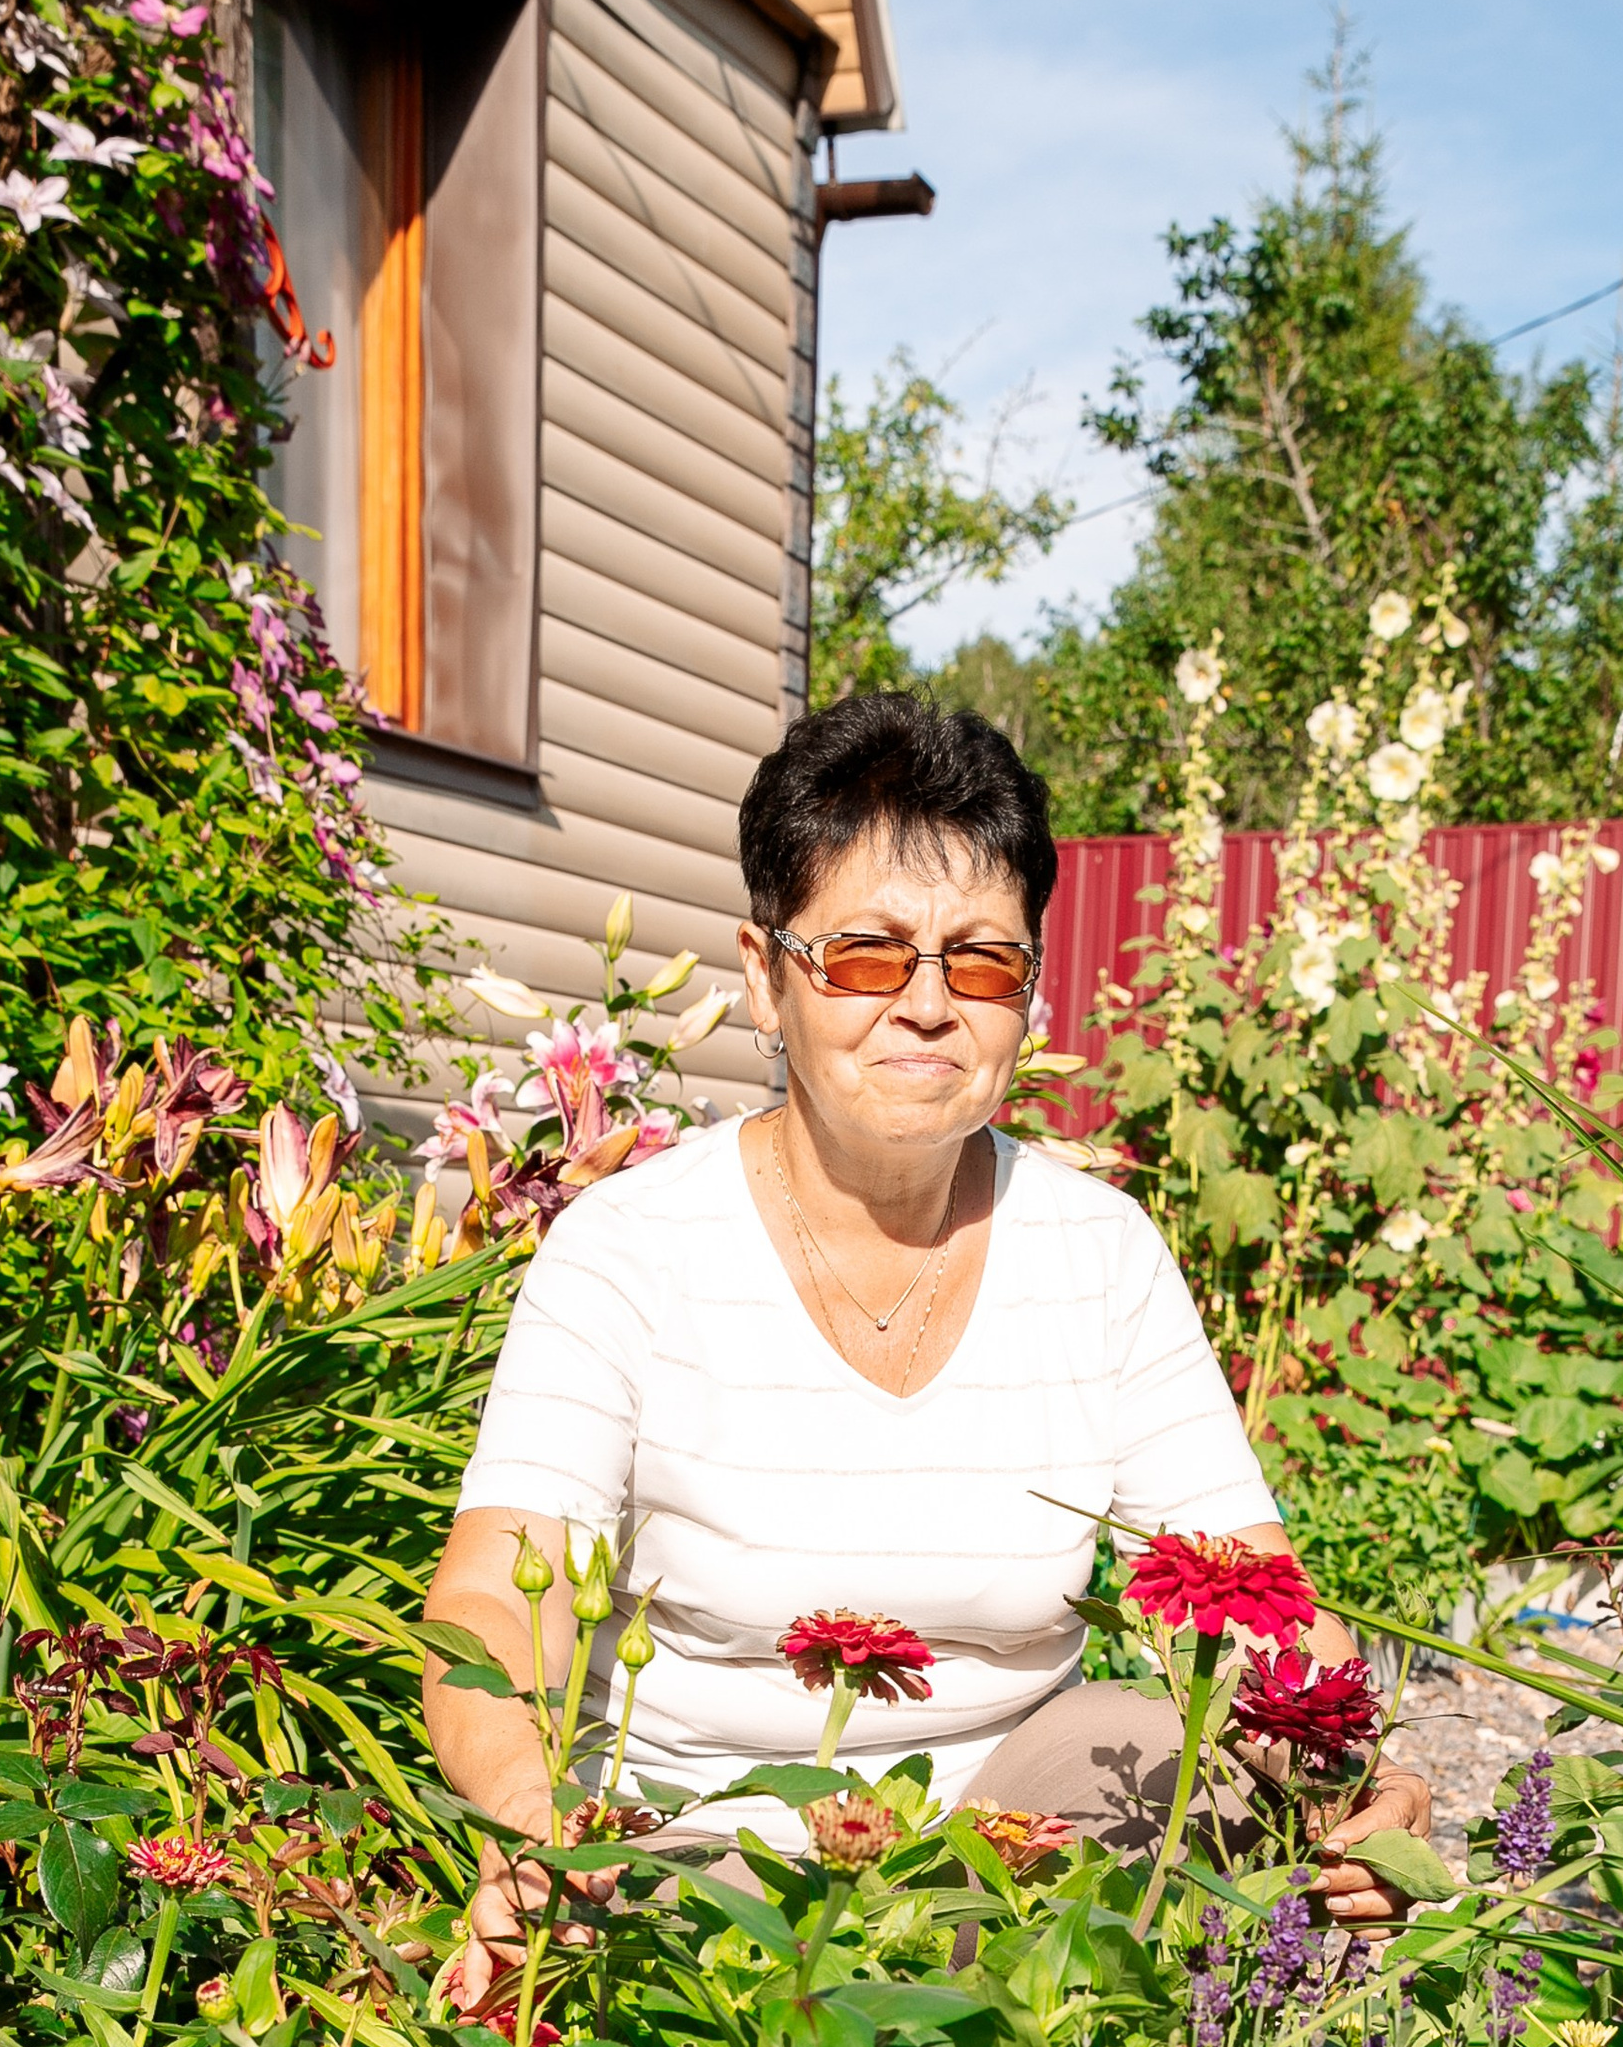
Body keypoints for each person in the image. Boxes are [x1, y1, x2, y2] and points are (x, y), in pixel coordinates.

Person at [422, 693, 1430, 1977]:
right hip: (706, 1845)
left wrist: (1363, 1772)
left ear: (1026, 996)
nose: (927, 1004)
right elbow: (493, 1605)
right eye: (864, 954)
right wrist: (533, 1822)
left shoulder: (1099, 1253)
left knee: (1175, 1763)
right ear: (761, 976)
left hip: (1018, 1830)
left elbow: (1251, 1595)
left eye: (985, 961)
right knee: (724, 1940)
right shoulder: (630, 1247)